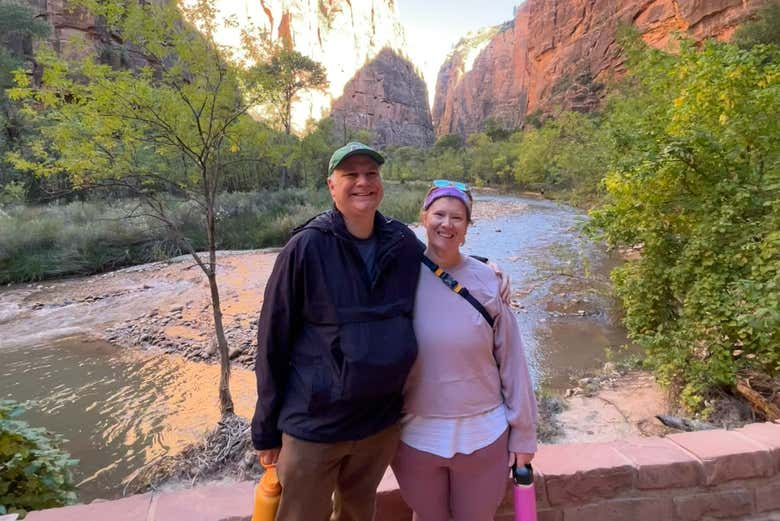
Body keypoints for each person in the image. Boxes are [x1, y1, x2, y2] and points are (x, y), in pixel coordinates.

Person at [251, 142, 421, 521]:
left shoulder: (402, 243)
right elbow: (272, 341)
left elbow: (442, 271)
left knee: (358, 514)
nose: (363, 182)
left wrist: (485, 270)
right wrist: (265, 430)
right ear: (331, 185)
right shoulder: (305, 247)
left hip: (378, 425)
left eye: (371, 174)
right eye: (351, 175)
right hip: (315, 427)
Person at [391, 181, 537, 521]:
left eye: (457, 217)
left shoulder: (488, 280)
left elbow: (513, 363)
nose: (447, 224)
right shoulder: (398, 277)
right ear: (424, 217)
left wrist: (524, 434)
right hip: (414, 435)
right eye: (439, 214)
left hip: (484, 435)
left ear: (468, 226)